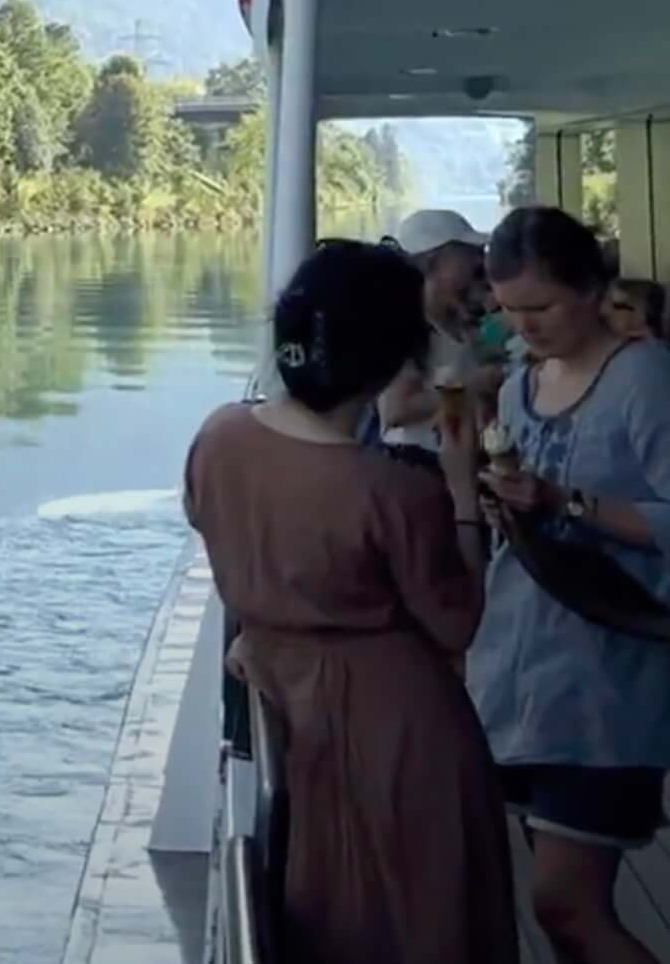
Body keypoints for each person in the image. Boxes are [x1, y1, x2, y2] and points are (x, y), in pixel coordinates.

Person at [185, 239, 513, 964]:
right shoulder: (392, 490)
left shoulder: (217, 437)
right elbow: (455, 620)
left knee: (318, 916)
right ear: (394, 356)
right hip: (395, 733)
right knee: (418, 924)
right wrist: (461, 487)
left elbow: (221, 530)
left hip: (285, 697)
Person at [467, 207, 670, 964]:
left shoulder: (646, 379)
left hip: (610, 685)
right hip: (525, 677)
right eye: (509, 309)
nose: (523, 325)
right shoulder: (518, 390)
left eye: (541, 307)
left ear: (593, 288)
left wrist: (568, 501)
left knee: (565, 904)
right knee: (565, 913)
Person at [376, 208, 495, 456]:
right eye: (467, 253)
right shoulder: (407, 327)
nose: (479, 260)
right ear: (431, 262)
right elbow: (396, 409)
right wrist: (474, 386)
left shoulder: (461, 323)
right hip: (418, 465)